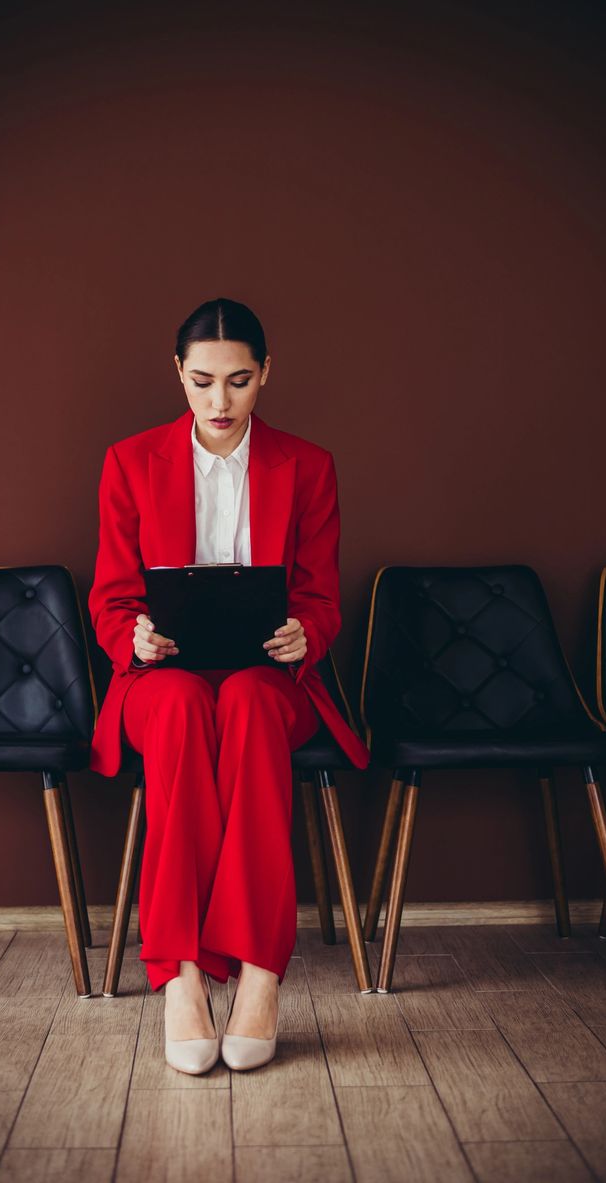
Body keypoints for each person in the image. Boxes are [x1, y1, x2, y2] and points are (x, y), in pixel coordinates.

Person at [88, 297, 370, 1074]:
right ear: (177, 373)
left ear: (265, 374)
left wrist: (306, 632)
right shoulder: (128, 460)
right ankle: (179, 974)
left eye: (240, 381)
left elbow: (320, 595)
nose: (220, 402)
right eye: (204, 380)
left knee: (245, 701)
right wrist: (133, 635)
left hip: (266, 678)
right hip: (162, 677)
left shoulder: (308, 465)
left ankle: (258, 974)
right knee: (180, 705)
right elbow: (112, 595)